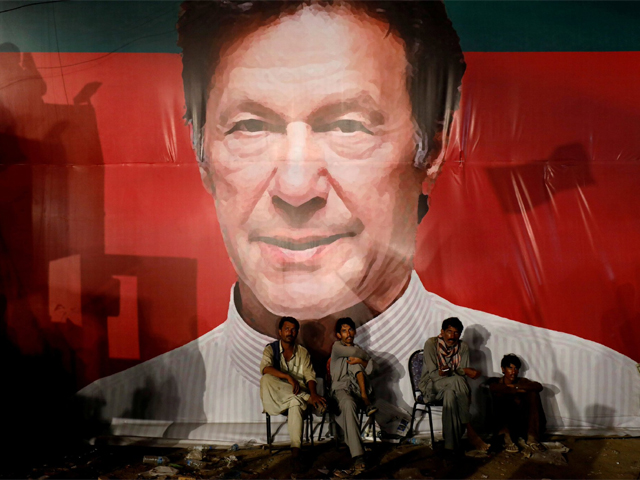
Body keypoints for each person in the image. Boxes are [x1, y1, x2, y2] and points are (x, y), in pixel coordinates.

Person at [76, 0, 640, 444]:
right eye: (250, 125)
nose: (296, 188)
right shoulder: (101, 418)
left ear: (433, 147)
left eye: (348, 124)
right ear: (201, 150)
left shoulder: (608, 391)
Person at [260, 316, 326, 460]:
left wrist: (314, 393)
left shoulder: (302, 352)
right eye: (287, 329)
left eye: (293, 330)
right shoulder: (271, 349)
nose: (290, 332)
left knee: (295, 403)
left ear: (297, 333)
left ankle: (296, 452)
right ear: (280, 332)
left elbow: (310, 376)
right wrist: (287, 377)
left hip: (296, 395)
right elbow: (265, 368)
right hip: (278, 396)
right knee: (266, 379)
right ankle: (308, 399)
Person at [419, 317, 489, 452]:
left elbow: (460, 376)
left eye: (456, 333)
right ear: (442, 332)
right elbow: (434, 374)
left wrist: (457, 371)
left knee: (450, 395)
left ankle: (450, 447)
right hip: (430, 387)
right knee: (457, 380)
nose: (452, 336)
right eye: (449, 332)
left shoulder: (462, 347)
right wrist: (462, 370)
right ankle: (469, 429)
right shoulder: (431, 344)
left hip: (451, 387)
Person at [329, 317, 377, 475]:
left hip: (357, 389)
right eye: (344, 331)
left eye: (350, 330)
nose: (348, 334)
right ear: (338, 335)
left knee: (356, 362)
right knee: (348, 404)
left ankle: (364, 397)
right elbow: (357, 353)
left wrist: (363, 362)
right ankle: (359, 455)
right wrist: (364, 359)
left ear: (355, 332)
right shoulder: (337, 348)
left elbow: (376, 369)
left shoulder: (357, 351)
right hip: (341, 390)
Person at [487, 354, 546, 453]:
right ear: (503, 369)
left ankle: (532, 437)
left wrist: (516, 387)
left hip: (522, 422)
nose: (513, 372)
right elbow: (494, 387)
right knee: (500, 395)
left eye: (516, 368)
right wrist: (514, 390)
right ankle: (506, 438)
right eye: (510, 368)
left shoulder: (522, 382)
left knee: (533, 394)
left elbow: (538, 386)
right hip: (505, 423)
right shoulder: (496, 381)